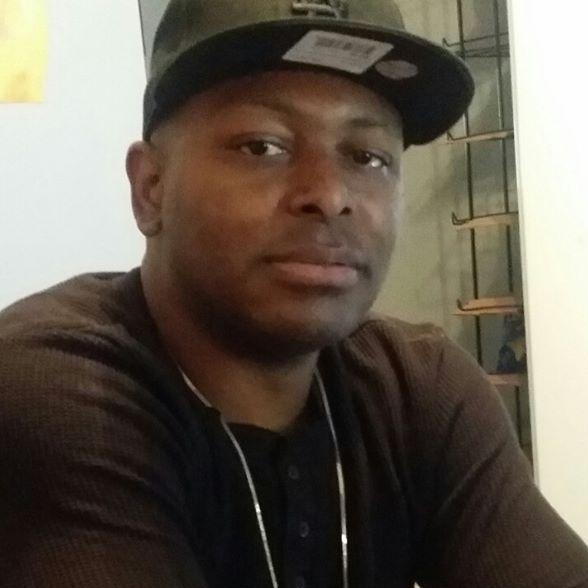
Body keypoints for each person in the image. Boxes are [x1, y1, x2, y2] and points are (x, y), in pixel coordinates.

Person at [1, 0, 587, 586]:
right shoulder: (57, 388)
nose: (329, 195)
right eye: (262, 146)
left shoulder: (417, 391)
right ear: (150, 187)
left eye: (367, 157)